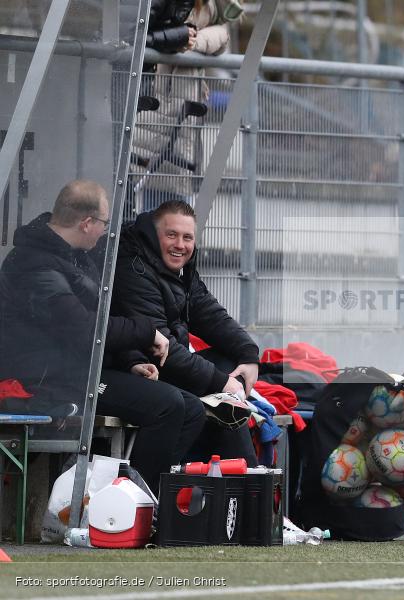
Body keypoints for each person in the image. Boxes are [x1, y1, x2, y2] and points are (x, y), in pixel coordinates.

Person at [0, 180, 206, 491]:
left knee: (192, 408)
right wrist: (147, 333)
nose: (106, 232)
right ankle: (133, 504)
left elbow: (100, 322)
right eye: (104, 223)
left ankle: (145, 498)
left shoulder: (75, 256)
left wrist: (131, 362)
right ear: (87, 223)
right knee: (168, 405)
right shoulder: (34, 265)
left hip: (79, 371)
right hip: (45, 381)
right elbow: (83, 329)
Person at [111, 199, 260, 464]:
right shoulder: (133, 266)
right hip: (142, 368)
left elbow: (209, 312)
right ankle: (224, 480)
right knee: (209, 395)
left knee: (228, 367)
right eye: (172, 235)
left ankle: (241, 479)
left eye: (187, 237)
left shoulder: (179, 267)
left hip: (168, 366)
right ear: (154, 236)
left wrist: (248, 355)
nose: (180, 245)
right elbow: (160, 348)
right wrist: (221, 382)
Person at [132, 0, 240, 214]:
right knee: (156, 187)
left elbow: (221, 36)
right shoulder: (191, 9)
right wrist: (184, 40)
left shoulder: (209, 9)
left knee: (167, 191)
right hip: (162, 97)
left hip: (178, 103)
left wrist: (193, 41)